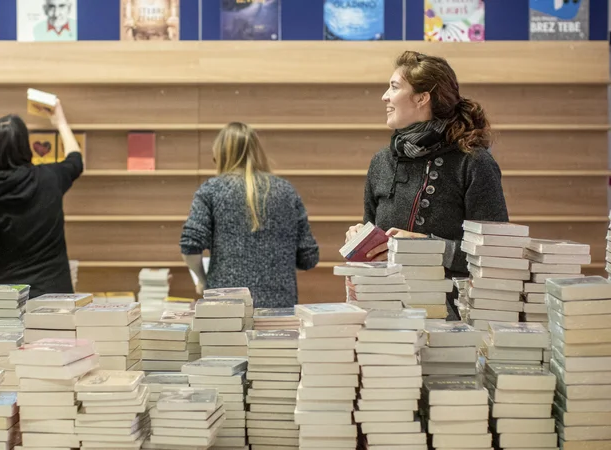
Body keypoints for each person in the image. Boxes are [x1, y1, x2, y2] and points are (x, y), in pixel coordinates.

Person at [345, 51, 509, 318]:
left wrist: (427, 248)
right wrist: (360, 240)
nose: (384, 96)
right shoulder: (381, 162)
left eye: (394, 87)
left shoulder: (474, 162)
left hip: (452, 322)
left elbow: (496, 256)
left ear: (422, 98)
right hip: (385, 316)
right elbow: (374, 240)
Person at [180, 122, 320, 308]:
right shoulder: (286, 191)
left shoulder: (211, 190)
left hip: (226, 306)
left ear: (220, 156)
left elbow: (190, 246)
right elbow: (308, 257)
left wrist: (203, 280)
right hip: (280, 307)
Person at [0, 100, 83, 299]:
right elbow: (75, 161)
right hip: (53, 294)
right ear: (25, 146)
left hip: (6, 299)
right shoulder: (49, 178)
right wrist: (60, 122)